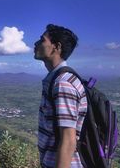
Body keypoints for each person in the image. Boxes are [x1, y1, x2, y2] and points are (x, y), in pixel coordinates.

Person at [34, 24, 87, 168]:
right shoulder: (58, 79)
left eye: (42, 40)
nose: (36, 43)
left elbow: (68, 140)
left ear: (56, 47)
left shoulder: (63, 83)